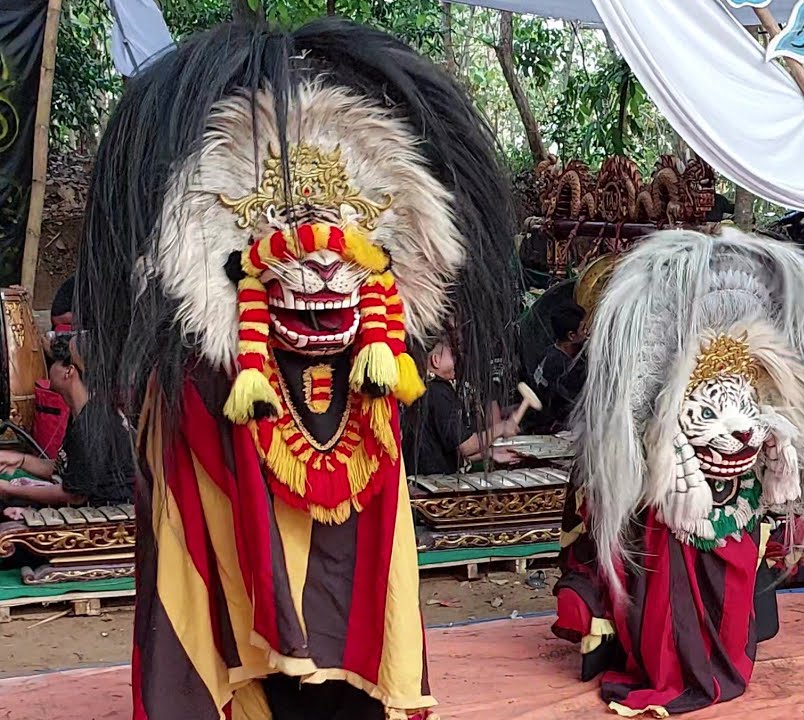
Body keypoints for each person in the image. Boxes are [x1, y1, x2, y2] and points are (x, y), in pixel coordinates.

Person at [76, 20, 517, 719]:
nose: (315, 263)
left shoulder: (379, 367)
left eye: (344, 225)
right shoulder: (192, 381)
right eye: (277, 222)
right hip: (229, 464)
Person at [553, 229, 804, 716]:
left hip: (733, 493)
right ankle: (657, 653)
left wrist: (771, 437)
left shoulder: (752, 394)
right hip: (671, 487)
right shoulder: (637, 392)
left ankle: (721, 651)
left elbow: (757, 419)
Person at [0, 334, 134, 517]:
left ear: (69, 371)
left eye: (56, 361)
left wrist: (9, 489)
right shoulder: (86, 411)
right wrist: (19, 460)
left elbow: (73, 494)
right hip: (86, 506)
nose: (50, 366)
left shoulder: (92, 425)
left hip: (102, 517)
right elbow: (67, 470)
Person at [403, 336, 521, 476]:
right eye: (451, 355)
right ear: (436, 360)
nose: (456, 360)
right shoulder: (437, 393)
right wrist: (502, 427)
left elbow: (452, 447)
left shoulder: (424, 389)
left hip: (426, 477)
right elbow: (466, 446)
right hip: (432, 483)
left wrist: (490, 453)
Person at [525, 303, 587, 434]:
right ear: (572, 336)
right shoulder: (561, 368)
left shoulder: (548, 353)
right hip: (549, 430)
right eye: (583, 329)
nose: (587, 333)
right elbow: (569, 408)